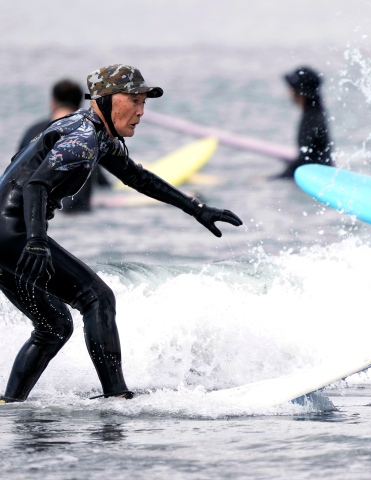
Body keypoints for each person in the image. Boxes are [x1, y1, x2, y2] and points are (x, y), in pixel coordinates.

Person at [0, 64, 242, 403]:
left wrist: (197, 209)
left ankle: (10, 405)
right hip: (14, 233)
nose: (141, 111)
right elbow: (37, 184)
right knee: (97, 298)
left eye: (145, 102)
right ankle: (116, 397)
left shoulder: (93, 133)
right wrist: (37, 240)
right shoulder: (83, 138)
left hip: (6, 238)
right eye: (134, 101)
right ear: (106, 100)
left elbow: (138, 178)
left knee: (54, 327)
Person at [18, 79, 111, 212]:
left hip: (32, 207)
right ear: (80, 106)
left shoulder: (32, 132)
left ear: (53, 103)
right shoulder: (87, 134)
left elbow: (18, 172)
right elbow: (100, 180)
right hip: (75, 210)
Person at [274, 66, 334, 179]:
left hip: (318, 178)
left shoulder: (312, 120)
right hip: (322, 173)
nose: (289, 92)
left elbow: (305, 160)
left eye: (291, 88)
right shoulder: (315, 113)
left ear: (301, 93)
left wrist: (272, 179)